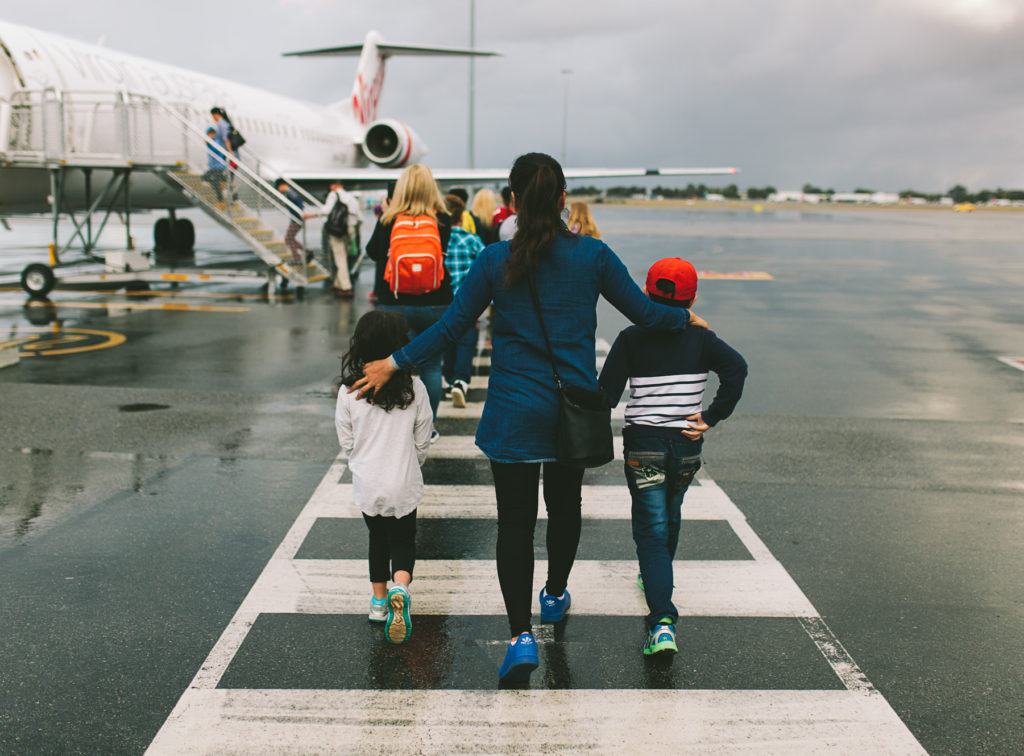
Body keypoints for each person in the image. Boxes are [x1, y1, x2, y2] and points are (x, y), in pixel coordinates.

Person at [350, 152, 708, 684]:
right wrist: (686, 320)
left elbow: (450, 328)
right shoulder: (593, 256)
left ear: (513, 201)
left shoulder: (495, 260)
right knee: (565, 509)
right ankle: (556, 594)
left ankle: (520, 635)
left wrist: (393, 362)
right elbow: (646, 314)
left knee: (514, 524)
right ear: (563, 199)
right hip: (573, 414)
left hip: (515, 412)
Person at [598, 257, 747, 657]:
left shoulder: (631, 338)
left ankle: (662, 621)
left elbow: (606, 396)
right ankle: (656, 578)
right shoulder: (703, 339)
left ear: (645, 294)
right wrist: (712, 416)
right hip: (685, 444)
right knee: (671, 509)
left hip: (644, 444)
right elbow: (737, 369)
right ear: (692, 297)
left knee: (650, 529)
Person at [336, 310, 433, 644]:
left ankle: (379, 602)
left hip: (368, 482)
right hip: (403, 481)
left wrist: (361, 460)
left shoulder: (348, 392)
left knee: (377, 540)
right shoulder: (415, 388)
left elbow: (346, 442)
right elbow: (423, 439)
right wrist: (412, 462)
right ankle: (401, 588)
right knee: (404, 540)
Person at [364, 164, 453, 439]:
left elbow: (373, 252)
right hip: (434, 303)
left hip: (394, 305)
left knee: (394, 365)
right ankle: (428, 428)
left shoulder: (389, 220)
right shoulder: (442, 220)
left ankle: (396, 427)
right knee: (430, 366)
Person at [440, 194, 485, 408]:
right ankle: (460, 381)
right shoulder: (472, 240)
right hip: (467, 302)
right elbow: (488, 270)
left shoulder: (439, 240)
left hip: (442, 301)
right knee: (466, 343)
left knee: (448, 342)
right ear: (461, 215)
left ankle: (449, 380)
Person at [321, 180, 362, 297]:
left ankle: (346, 287)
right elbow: (360, 217)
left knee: (340, 257)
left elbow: (326, 211)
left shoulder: (333, 195)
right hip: (351, 229)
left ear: (334, 186)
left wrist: (312, 215)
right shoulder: (351, 197)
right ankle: (338, 283)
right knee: (346, 256)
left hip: (337, 230)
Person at [276, 178, 314, 265]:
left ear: (281, 185)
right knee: (290, 239)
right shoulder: (290, 192)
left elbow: (299, 202)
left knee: (288, 239)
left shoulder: (290, 192)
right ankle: (306, 252)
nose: (279, 190)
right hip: (296, 219)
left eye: (278, 188)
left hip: (296, 220)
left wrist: (300, 213)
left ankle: (298, 258)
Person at [201, 127, 226, 202]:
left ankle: (220, 199)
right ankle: (224, 181)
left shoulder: (216, 141)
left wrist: (208, 143)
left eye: (213, 133)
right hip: (213, 167)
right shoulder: (211, 142)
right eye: (210, 134)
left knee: (210, 179)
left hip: (219, 166)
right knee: (209, 179)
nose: (212, 135)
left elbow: (216, 149)